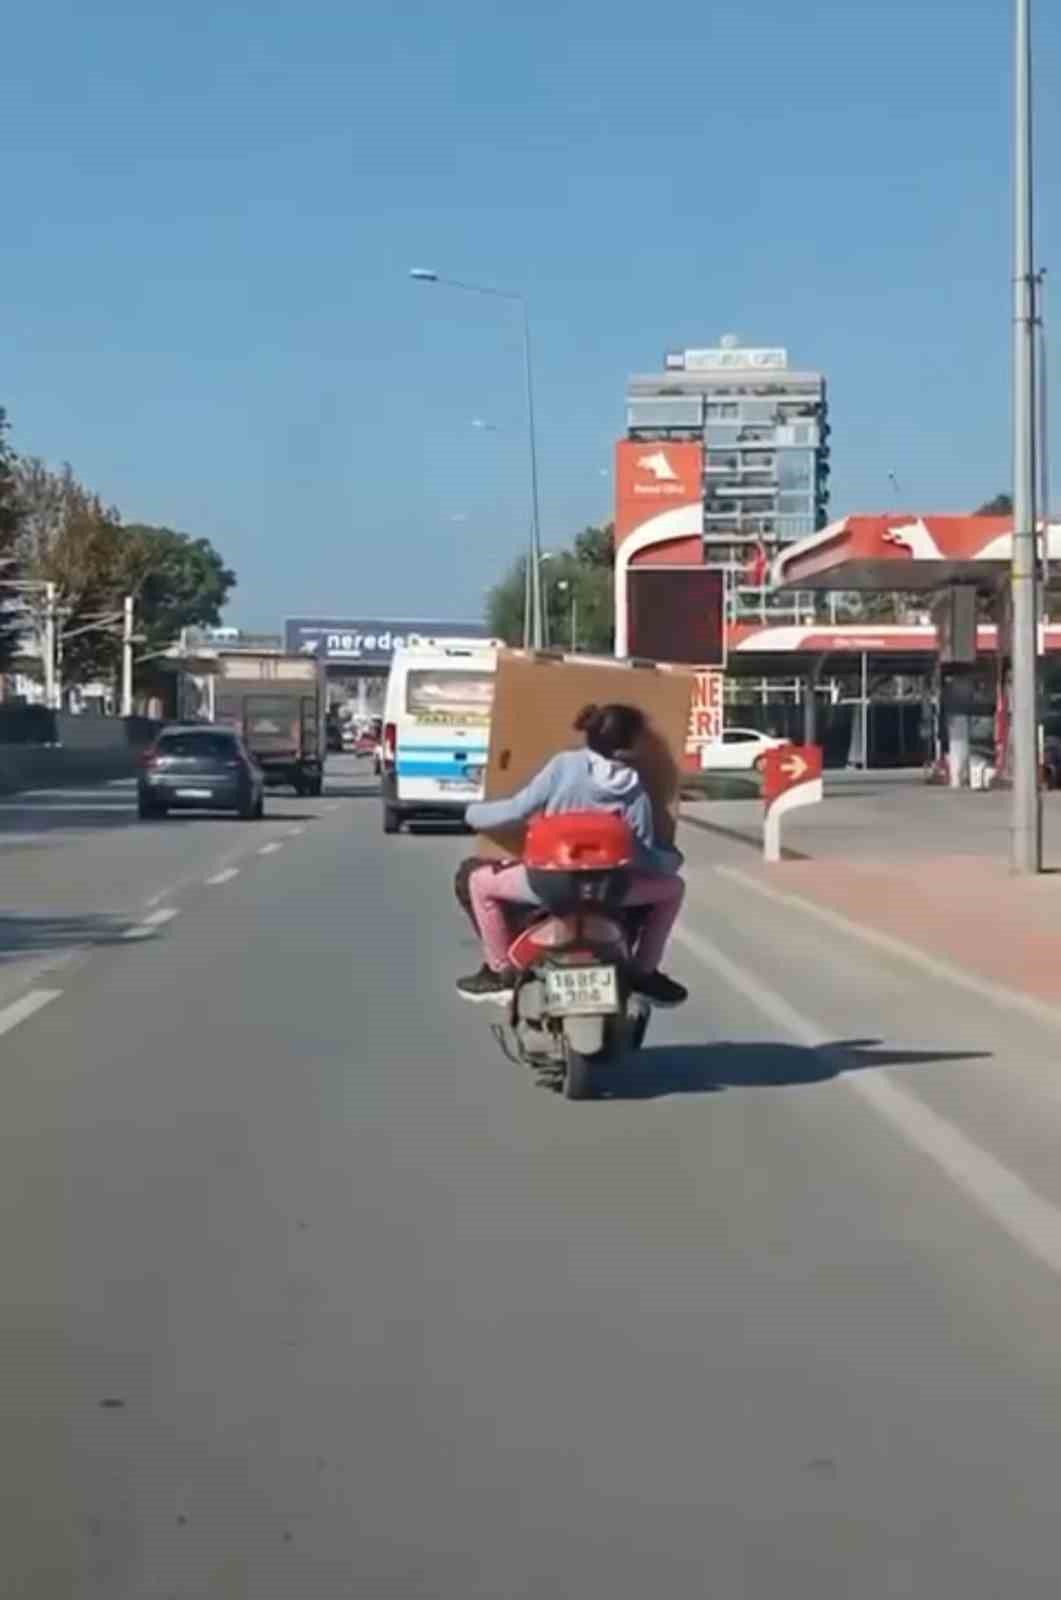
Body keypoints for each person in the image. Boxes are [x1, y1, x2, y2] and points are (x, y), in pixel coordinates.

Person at [456, 702, 688, 1007]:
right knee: (674, 889)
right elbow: (642, 854)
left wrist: (472, 814)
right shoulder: (634, 788)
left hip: (548, 885)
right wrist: (672, 860)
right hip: (611, 891)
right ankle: (644, 973)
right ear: (630, 745)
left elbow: (517, 809)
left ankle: (500, 973)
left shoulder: (565, 765)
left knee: (477, 882)